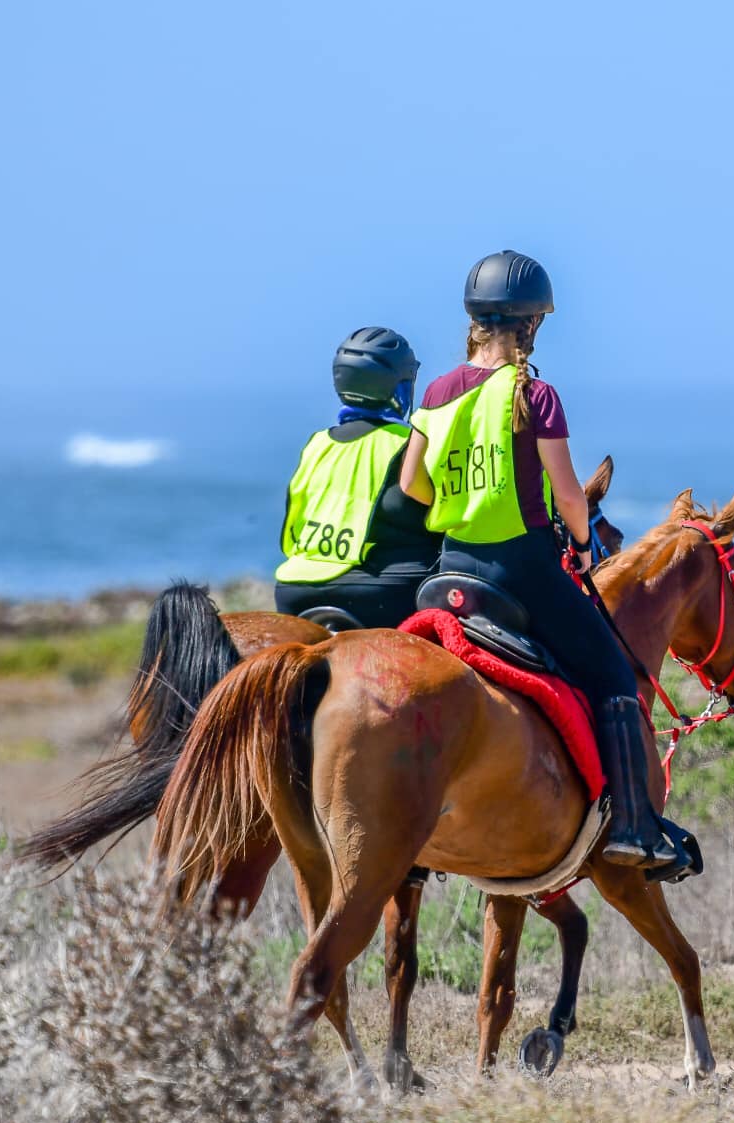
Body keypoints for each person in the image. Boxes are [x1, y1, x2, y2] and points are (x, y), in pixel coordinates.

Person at [400, 250, 683, 870]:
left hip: (450, 568)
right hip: (521, 570)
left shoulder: (438, 391)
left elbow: (412, 484)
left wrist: (460, 496)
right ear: (531, 325)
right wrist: (582, 550)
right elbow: (569, 494)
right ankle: (632, 826)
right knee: (614, 675)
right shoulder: (535, 393)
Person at [274, 326, 442, 629]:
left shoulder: (317, 443)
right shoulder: (411, 443)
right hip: (379, 592)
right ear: (401, 387)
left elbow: (291, 529)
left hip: (294, 590)